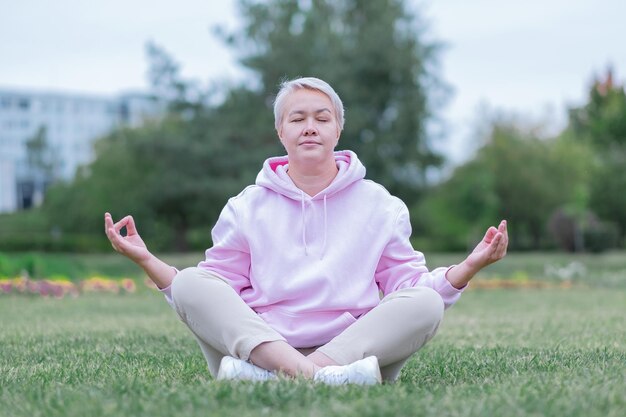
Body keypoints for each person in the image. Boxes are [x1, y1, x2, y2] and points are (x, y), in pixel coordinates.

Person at [104, 77, 508, 385]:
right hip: (261, 348)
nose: (309, 127)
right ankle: (312, 378)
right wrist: (145, 258)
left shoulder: (380, 204)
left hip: (349, 351)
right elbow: (211, 293)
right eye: (297, 119)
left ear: (338, 131)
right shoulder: (246, 206)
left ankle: (292, 379)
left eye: (321, 118)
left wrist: (470, 266)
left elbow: (412, 286)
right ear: (281, 132)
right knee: (193, 282)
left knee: (425, 304)